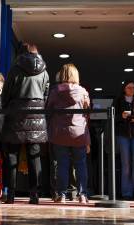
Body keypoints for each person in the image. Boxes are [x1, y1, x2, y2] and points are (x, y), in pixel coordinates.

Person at [1, 43, 49, 204]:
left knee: (12, 155)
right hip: (36, 115)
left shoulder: (15, 69)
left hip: (16, 114)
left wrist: (7, 108)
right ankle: (34, 194)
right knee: (34, 155)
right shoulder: (44, 71)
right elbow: (46, 93)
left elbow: (6, 93)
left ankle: (11, 194)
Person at [47, 64, 90, 204]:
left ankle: (62, 195)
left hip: (60, 133)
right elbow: (87, 112)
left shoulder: (55, 91)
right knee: (81, 165)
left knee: (62, 165)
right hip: (79, 133)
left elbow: (48, 110)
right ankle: (82, 195)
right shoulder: (83, 91)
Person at [113, 81, 134, 200]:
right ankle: (126, 192)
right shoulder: (118, 101)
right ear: (124, 89)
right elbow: (112, 117)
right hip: (123, 135)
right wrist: (122, 116)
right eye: (129, 87)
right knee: (125, 163)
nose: (132, 89)